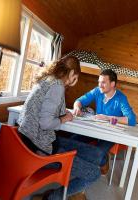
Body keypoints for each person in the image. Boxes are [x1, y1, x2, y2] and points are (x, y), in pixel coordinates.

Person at [18, 56, 103, 200]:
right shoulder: (57, 86)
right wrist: (64, 118)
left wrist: (65, 114)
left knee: (96, 154)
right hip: (40, 149)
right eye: (75, 78)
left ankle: (75, 192)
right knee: (95, 173)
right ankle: (52, 197)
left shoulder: (48, 79)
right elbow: (45, 123)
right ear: (71, 73)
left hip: (32, 141)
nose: (74, 82)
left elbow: (50, 108)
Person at [72, 69, 136, 173]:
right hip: (95, 129)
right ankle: (81, 164)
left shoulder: (121, 98)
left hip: (110, 134)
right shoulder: (97, 91)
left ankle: (104, 160)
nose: (100, 85)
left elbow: (132, 120)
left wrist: (108, 117)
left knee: (96, 153)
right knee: (72, 141)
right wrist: (77, 108)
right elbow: (79, 101)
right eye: (99, 82)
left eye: (103, 82)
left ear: (112, 84)